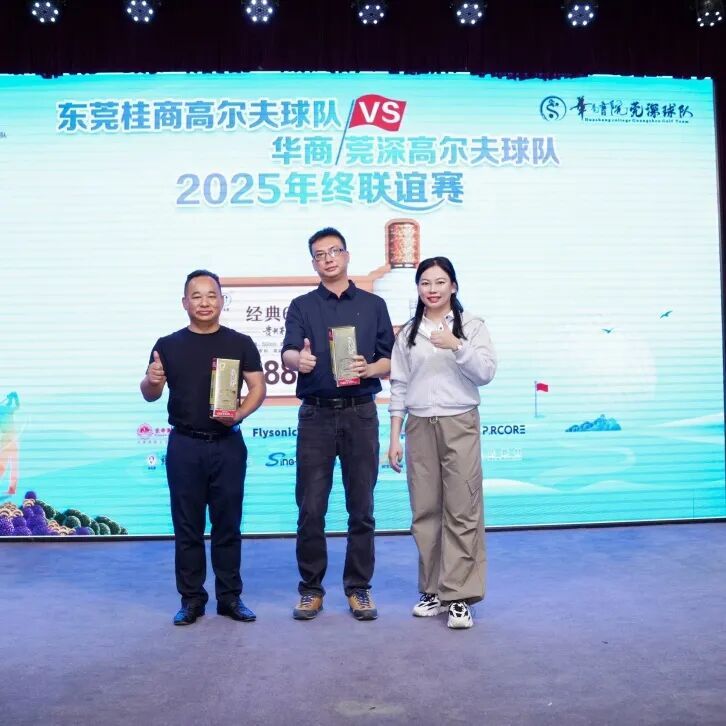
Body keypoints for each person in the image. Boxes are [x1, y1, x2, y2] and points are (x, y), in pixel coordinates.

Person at [141, 270, 266, 626]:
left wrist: (238, 414)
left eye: (211, 295)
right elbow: (150, 393)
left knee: (228, 525)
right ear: (185, 303)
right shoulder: (167, 344)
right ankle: (192, 599)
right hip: (185, 446)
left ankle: (230, 598)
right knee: (187, 527)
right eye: (196, 296)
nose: (205, 302)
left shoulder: (240, 343)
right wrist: (151, 380)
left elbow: (258, 387)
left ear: (222, 300)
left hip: (227, 445)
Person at [281, 227, 394, 621]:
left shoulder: (373, 305)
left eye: (334, 251)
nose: (328, 258)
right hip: (316, 414)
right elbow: (288, 351)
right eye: (319, 254)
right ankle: (311, 589)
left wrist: (370, 368)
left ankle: (359, 588)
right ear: (313, 262)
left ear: (346, 255)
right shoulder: (302, 306)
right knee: (311, 508)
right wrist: (298, 361)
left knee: (361, 507)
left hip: (361, 413)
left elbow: (390, 359)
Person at [387, 257, 497, 629]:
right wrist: (394, 436)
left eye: (440, 282)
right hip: (419, 425)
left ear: (453, 286)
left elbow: (486, 373)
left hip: (459, 421)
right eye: (425, 283)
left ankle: (459, 596)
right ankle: (433, 590)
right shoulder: (408, 333)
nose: (432, 289)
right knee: (425, 511)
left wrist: (457, 346)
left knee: (462, 509)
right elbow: (399, 385)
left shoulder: (472, 326)